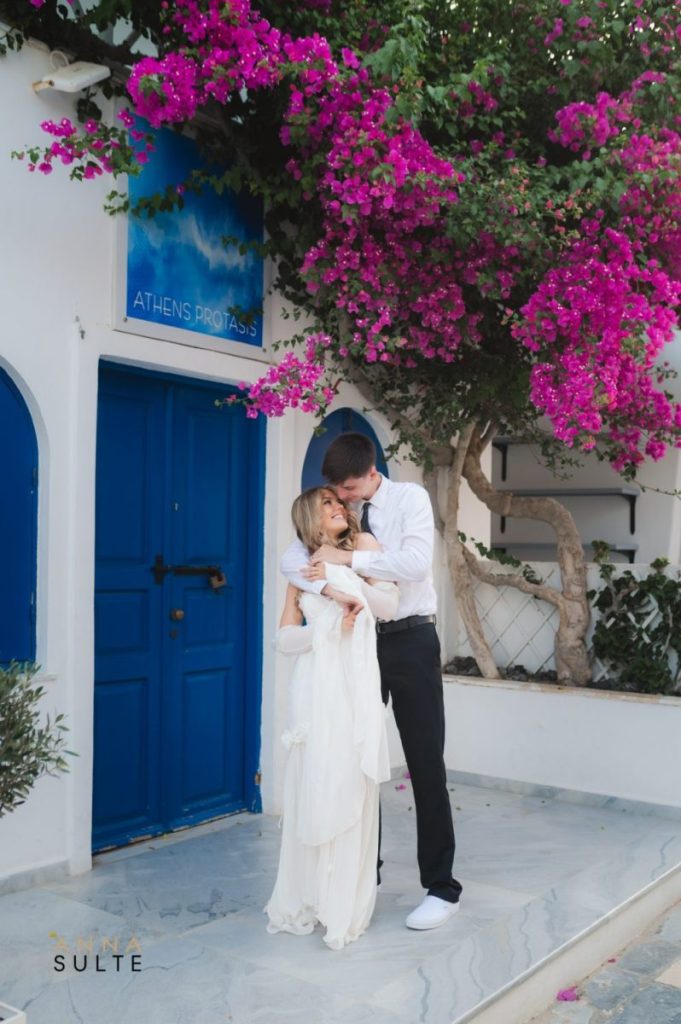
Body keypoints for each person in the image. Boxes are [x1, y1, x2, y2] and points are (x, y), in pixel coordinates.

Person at [281, 432, 463, 930]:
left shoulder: (410, 499)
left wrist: (349, 561)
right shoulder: (341, 514)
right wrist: (328, 585)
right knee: (356, 761)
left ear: (369, 472)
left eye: (348, 488)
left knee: (425, 762)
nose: (342, 497)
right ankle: (365, 875)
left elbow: (413, 564)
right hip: (356, 644)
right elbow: (290, 560)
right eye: (337, 491)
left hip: (410, 639)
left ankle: (442, 888)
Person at [265, 486, 399, 950]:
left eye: (339, 502)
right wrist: (327, 627)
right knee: (313, 784)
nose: (339, 507)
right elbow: (284, 639)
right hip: (313, 689)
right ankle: (308, 896)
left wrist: (352, 586)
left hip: (352, 686)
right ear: (310, 517)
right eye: (327, 504)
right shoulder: (300, 568)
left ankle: (344, 903)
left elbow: (390, 606)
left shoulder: (362, 548)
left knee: (346, 782)